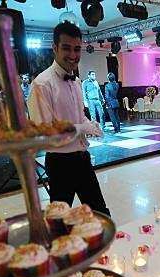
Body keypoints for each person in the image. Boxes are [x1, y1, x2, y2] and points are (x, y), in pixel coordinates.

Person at [28, 22, 110, 215]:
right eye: (66, 48)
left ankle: (104, 245)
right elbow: (45, 131)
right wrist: (82, 128)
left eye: (77, 49)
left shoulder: (77, 82)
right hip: (60, 163)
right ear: (55, 48)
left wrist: (91, 125)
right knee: (59, 220)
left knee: (100, 214)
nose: (73, 55)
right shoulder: (41, 84)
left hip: (82, 159)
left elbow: (79, 115)